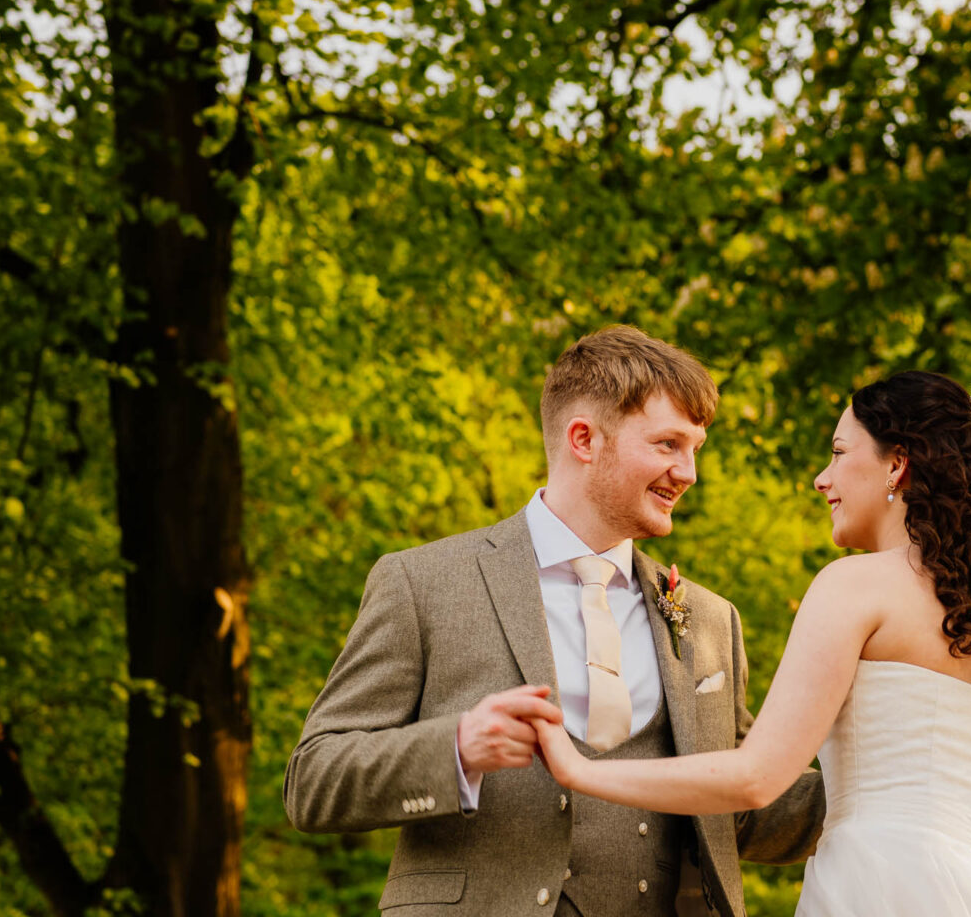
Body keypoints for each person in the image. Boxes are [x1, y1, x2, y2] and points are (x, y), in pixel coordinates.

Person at [284, 325, 825, 917]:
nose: (689, 471)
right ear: (584, 439)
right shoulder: (424, 583)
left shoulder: (710, 619)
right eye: (669, 444)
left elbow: (744, 807)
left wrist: (892, 783)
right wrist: (457, 750)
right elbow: (314, 782)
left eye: (696, 448)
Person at [534, 370, 971, 916]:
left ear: (897, 464)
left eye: (839, 453)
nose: (823, 477)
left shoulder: (853, 586)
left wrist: (577, 770)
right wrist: (960, 768)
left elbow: (757, 778)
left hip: (881, 885)